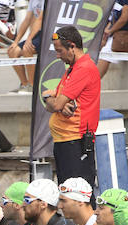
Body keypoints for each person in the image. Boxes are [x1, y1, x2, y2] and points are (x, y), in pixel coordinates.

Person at [42, 26, 100, 186]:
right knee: (67, 194)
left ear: (72, 46)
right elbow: (50, 101)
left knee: (77, 197)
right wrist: (51, 100)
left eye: (60, 51)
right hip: (65, 142)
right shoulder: (72, 70)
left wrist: (55, 102)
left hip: (75, 142)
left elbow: (57, 103)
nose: (58, 55)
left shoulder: (83, 69)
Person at [9, 0, 46, 92]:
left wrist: (29, 40)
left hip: (48, 33)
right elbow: (27, 20)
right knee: (12, 52)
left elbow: (39, 21)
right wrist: (16, 41)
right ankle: (24, 84)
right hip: (37, 33)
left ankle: (32, 85)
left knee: (27, 49)